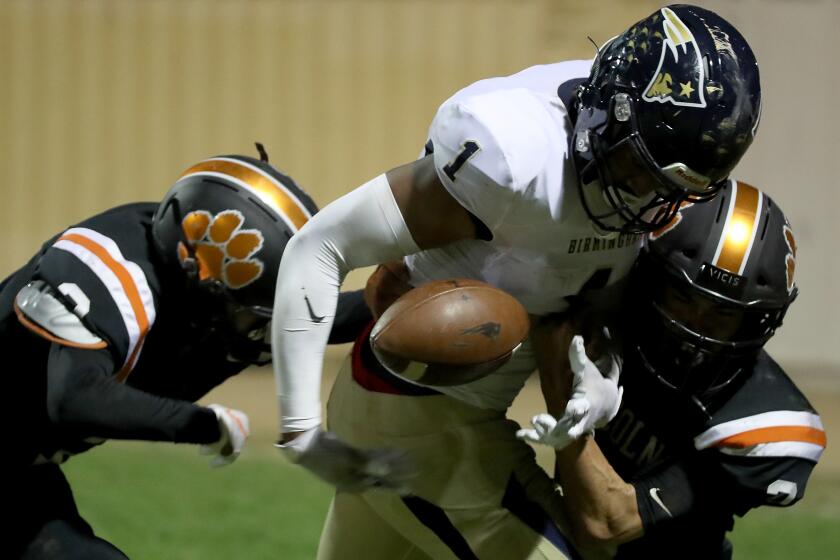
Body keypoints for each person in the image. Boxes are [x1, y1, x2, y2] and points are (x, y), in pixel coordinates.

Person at [271, 5, 762, 559]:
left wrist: (600, 383)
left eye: (667, 190)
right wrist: (299, 429)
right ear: (612, 109)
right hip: (414, 412)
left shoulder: (653, 170)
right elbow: (319, 247)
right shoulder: (513, 158)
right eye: (636, 170)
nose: (646, 202)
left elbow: (590, 301)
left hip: (450, 416)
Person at [5, 148, 371, 558]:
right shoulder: (111, 270)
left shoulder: (206, 303)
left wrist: (403, 286)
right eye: (253, 311)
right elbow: (74, 398)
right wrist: (200, 424)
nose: (264, 328)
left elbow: (325, 317)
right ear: (202, 279)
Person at [519, 180, 825, 559]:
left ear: (755, 322)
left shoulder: (763, 423)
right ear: (652, 276)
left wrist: (559, 390)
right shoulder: (613, 307)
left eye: (723, 313)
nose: (693, 326)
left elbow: (607, 523)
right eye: (683, 296)